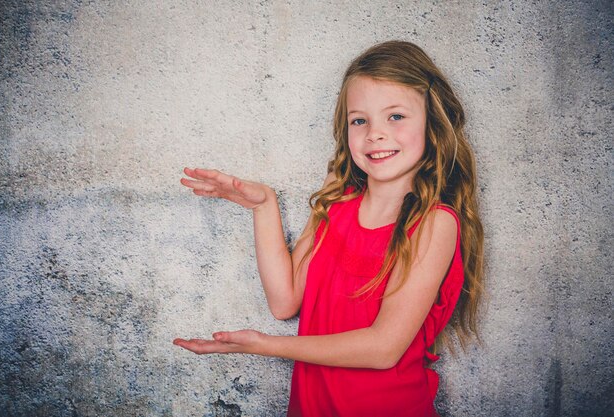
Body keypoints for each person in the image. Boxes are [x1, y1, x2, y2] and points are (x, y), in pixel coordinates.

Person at [173, 40, 484, 417]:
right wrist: (263, 205)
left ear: (432, 125)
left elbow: (383, 349)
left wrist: (264, 346)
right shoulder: (334, 207)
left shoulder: (435, 224)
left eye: (396, 116)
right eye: (359, 120)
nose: (375, 133)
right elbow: (284, 300)